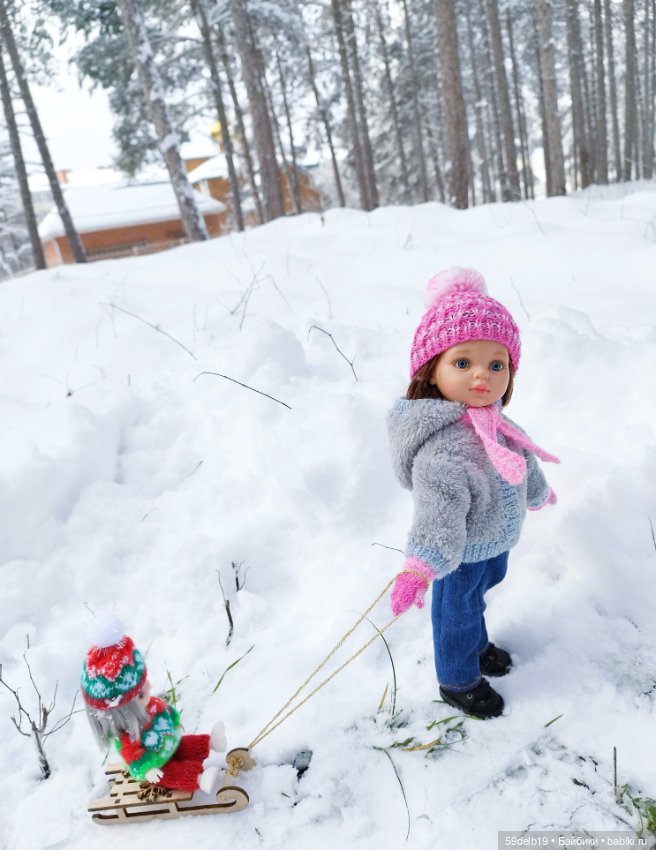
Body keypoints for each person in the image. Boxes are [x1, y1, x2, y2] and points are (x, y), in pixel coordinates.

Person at [387, 267, 559, 718]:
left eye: (496, 364)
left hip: (494, 543)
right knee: (455, 613)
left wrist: (537, 492)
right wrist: (420, 567)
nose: (482, 375)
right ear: (432, 371)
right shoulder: (443, 450)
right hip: (456, 555)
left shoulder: (497, 424)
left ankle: (476, 646)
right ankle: (457, 679)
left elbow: (522, 462)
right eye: (463, 363)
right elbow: (437, 514)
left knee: (475, 603)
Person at [81, 614, 227, 791]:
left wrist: (174, 720)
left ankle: (211, 743)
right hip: (158, 765)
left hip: (171, 743)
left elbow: (165, 710)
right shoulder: (128, 736)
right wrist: (146, 770)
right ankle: (198, 779)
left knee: (186, 744)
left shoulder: (150, 705)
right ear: (123, 710)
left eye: (145, 683)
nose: (150, 688)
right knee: (170, 773)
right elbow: (134, 761)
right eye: (141, 693)